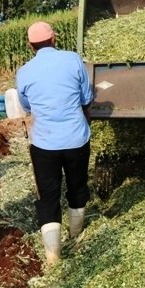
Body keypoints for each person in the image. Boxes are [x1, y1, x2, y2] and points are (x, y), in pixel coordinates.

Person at [15, 21, 94, 266]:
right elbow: (86, 97)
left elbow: (26, 106)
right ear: (54, 39)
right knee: (77, 186)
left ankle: (53, 257)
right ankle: (76, 234)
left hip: (44, 143)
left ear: (31, 46)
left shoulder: (24, 71)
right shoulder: (73, 60)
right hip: (76, 138)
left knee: (48, 196)